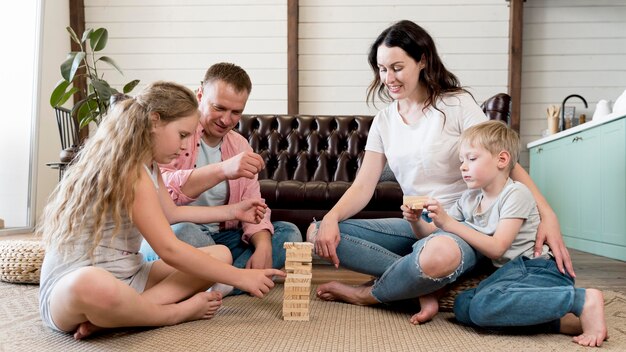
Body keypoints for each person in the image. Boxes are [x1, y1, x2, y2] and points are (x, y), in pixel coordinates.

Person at [308, 20, 574, 323]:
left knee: (437, 257)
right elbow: (363, 186)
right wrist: (330, 218)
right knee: (318, 233)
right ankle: (420, 282)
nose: (388, 78)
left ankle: (369, 293)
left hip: (462, 226)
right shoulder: (384, 121)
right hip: (419, 225)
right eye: (382, 69)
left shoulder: (456, 104)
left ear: (422, 60)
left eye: (397, 67)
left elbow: (505, 161)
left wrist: (548, 214)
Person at [38, 81, 285, 340]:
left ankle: (121, 316)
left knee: (221, 255)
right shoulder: (129, 170)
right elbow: (168, 250)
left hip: (131, 277)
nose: (185, 145)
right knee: (92, 283)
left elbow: (172, 215)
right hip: (71, 292)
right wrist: (241, 277)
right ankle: (173, 314)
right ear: (154, 121)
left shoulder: (151, 166)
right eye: (182, 135)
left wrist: (234, 211)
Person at [402, 120, 607, 347]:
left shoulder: (516, 193)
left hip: (538, 270)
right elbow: (430, 231)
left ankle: (582, 300)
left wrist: (449, 223)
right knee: (463, 306)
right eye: (462, 160)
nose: (462, 166)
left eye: (471, 159)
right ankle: (561, 322)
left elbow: (498, 247)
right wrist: (415, 221)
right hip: (509, 273)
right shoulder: (469, 198)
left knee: (482, 308)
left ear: (501, 160)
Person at [139, 63, 301, 295]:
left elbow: (253, 204)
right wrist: (223, 169)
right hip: (184, 236)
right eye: (219, 108)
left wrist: (263, 244)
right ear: (200, 95)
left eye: (236, 112)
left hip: (223, 238)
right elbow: (165, 195)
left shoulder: (240, 146)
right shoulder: (173, 136)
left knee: (288, 233)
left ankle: (213, 283)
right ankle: (231, 280)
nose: (226, 119)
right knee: (183, 232)